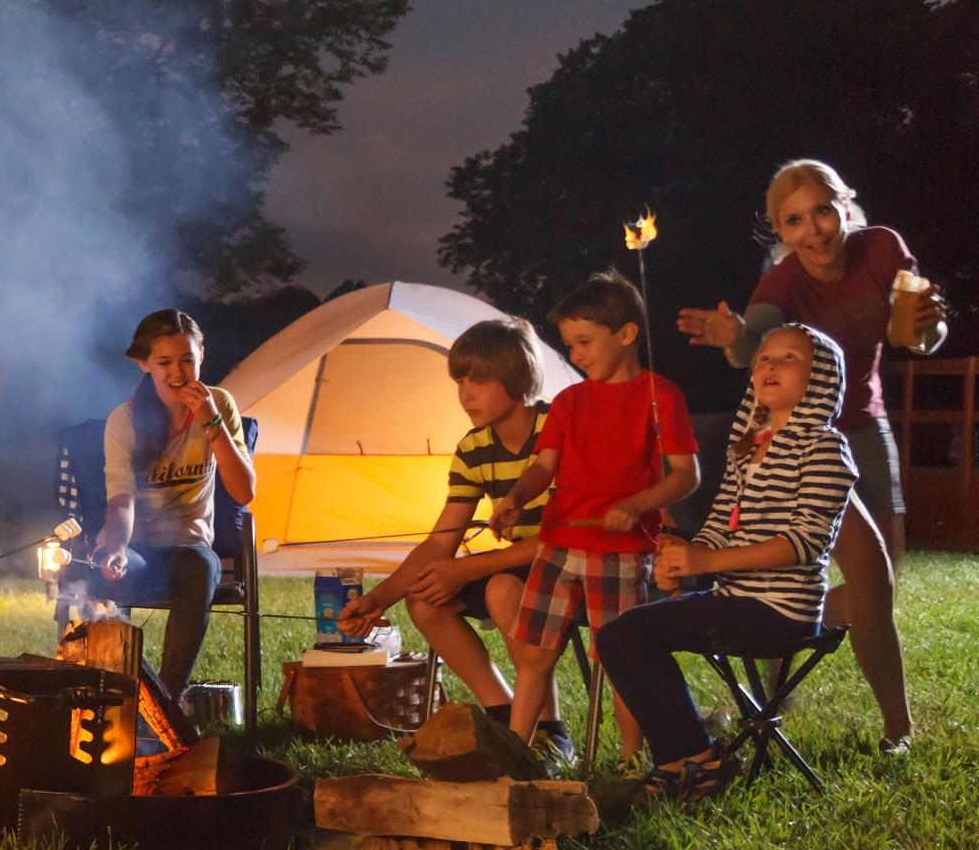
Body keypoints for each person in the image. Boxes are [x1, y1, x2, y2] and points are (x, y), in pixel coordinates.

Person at [675, 159, 943, 752]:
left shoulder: (883, 250)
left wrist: (930, 326)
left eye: (823, 210)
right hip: (802, 437)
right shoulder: (781, 284)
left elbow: (917, 335)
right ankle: (882, 721)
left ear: (843, 206)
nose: (815, 229)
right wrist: (734, 340)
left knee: (881, 584)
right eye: (794, 221)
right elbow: (756, 344)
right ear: (780, 231)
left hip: (866, 426)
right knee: (865, 582)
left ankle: (784, 631)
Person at [598, 324, 856, 802]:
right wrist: (681, 559)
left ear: (821, 380)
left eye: (790, 359)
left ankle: (691, 761)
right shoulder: (747, 447)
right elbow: (721, 522)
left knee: (628, 633)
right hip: (735, 599)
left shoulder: (824, 447)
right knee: (619, 633)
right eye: (763, 359)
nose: (771, 366)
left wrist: (711, 558)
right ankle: (690, 754)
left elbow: (803, 542)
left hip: (781, 611)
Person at [490, 270, 700, 776]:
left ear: (626, 334)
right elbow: (543, 467)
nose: (576, 354)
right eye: (570, 344)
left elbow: (687, 475)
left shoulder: (660, 395)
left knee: (620, 659)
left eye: (585, 342)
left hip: (623, 552)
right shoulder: (569, 402)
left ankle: (631, 760)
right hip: (559, 546)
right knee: (536, 657)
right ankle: (518, 756)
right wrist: (516, 497)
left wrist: (639, 503)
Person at [337, 317, 572, 755]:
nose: (466, 393)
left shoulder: (556, 430)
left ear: (517, 377)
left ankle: (548, 730)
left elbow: (562, 538)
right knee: (425, 598)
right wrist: (380, 598)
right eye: (460, 380)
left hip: (568, 563)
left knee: (503, 588)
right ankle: (503, 715)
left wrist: (468, 567)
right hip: (516, 564)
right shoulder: (473, 449)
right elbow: (439, 542)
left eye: (479, 380)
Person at [88, 308, 255, 700]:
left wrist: (211, 421)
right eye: (164, 362)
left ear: (202, 356)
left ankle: (167, 701)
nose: (178, 373)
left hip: (188, 549)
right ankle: (113, 697)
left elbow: (244, 492)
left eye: (187, 360)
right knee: (96, 576)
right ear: (143, 363)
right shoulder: (125, 420)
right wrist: (115, 548)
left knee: (200, 566)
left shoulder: (219, 404)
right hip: (137, 548)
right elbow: (122, 498)